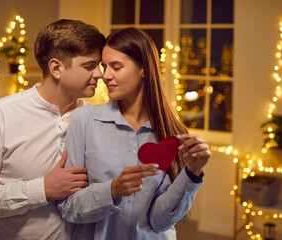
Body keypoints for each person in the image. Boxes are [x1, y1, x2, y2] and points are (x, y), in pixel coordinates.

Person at [58, 27, 211, 239]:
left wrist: (192, 172)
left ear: (144, 69)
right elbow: (69, 208)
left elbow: (160, 221)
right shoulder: (84, 120)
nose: (105, 75)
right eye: (104, 66)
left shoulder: (171, 133)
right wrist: (112, 190)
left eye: (116, 67)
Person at [0, 19, 105, 239]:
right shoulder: (0, 116)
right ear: (56, 68)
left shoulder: (97, 118)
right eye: (89, 66)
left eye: (99, 65)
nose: (100, 74)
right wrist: (42, 190)